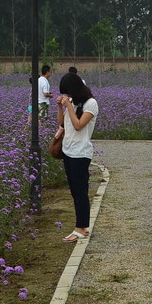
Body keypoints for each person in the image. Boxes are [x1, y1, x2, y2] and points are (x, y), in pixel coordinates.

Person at [56, 72, 99, 242]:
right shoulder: (72, 102)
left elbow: (79, 125)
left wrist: (69, 106)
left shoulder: (91, 103)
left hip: (81, 153)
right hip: (68, 151)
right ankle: (81, 226)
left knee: (81, 191)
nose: (68, 96)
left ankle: (81, 228)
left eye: (69, 92)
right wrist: (61, 107)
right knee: (74, 191)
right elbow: (62, 123)